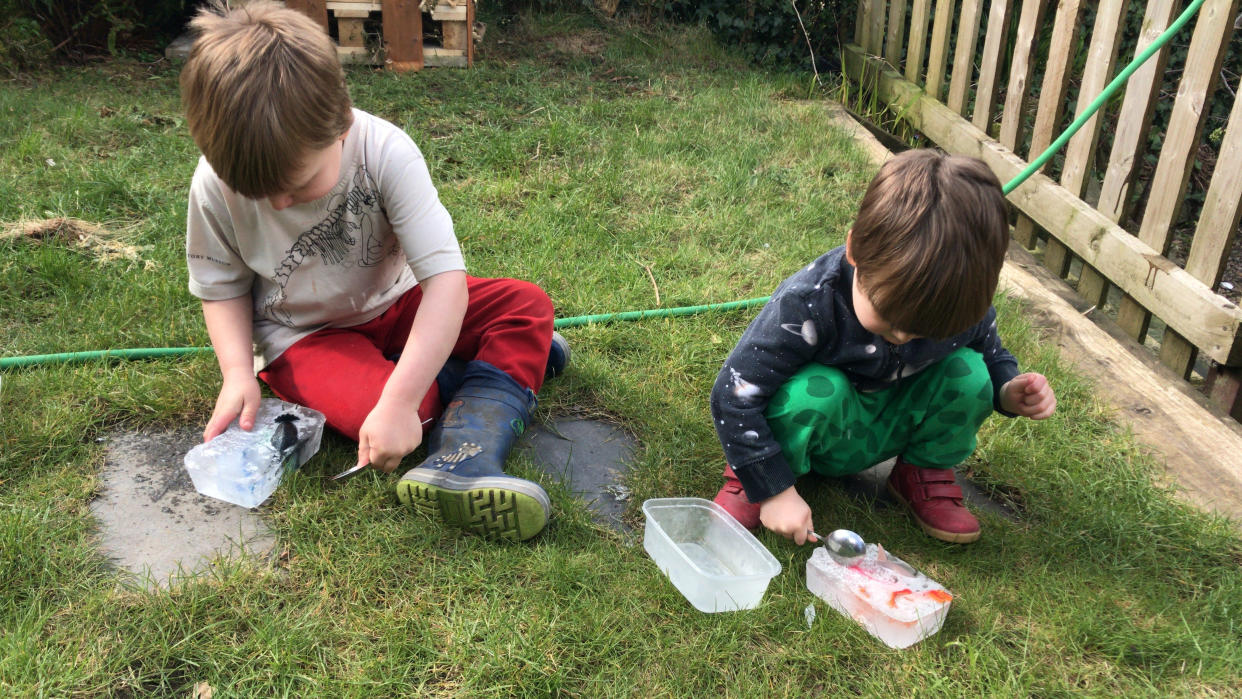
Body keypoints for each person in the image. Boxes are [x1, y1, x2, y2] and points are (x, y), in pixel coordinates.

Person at [180, 1, 567, 541]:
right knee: (409, 408)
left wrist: (399, 399)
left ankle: (463, 457)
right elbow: (220, 288)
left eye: (297, 183)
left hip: (397, 302)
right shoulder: (211, 182)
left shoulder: (386, 152)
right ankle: (497, 371)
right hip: (303, 336)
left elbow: (445, 285)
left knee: (526, 305)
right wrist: (237, 373)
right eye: (258, 193)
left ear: (340, 124)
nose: (280, 203)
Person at [710, 149, 1056, 545]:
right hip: (818, 423)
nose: (905, 337)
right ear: (855, 251)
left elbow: (991, 354)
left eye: (928, 331)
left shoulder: (958, 305)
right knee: (816, 391)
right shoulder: (809, 302)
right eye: (889, 319)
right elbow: (734, 394)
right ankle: (753, 475)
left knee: (970, 373)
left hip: (887, 422)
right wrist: (772, 489)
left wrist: (1007, 390)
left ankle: (921, 472)